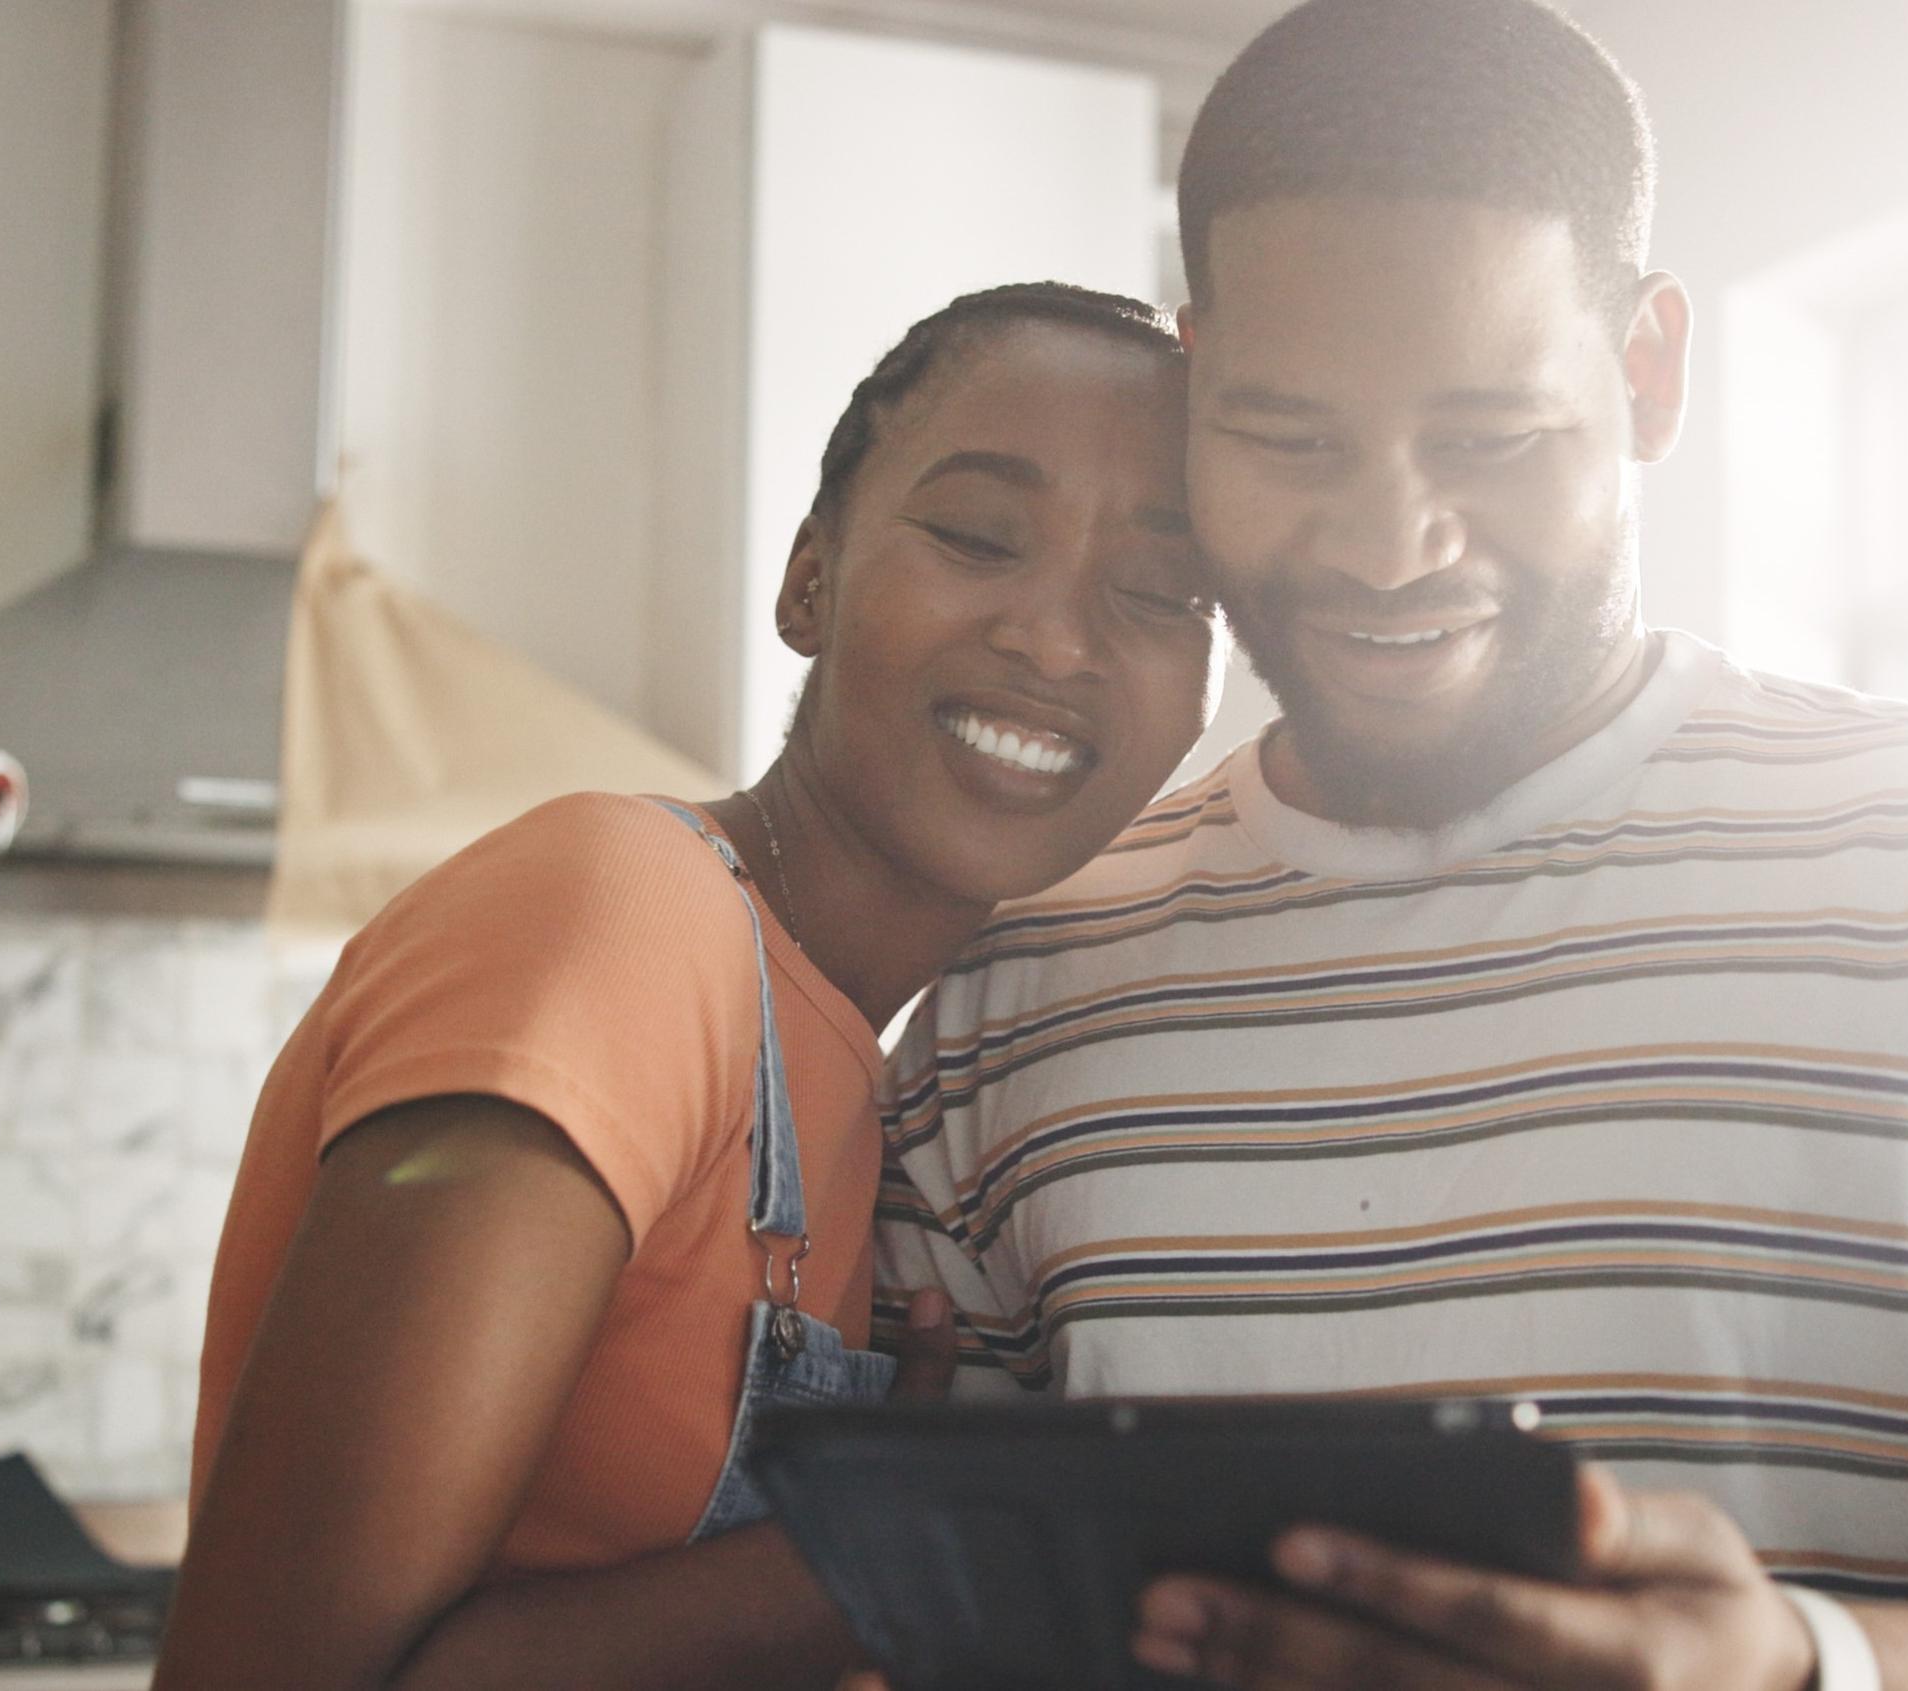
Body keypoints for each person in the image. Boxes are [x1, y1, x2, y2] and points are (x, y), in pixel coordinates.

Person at [872, 4, 1908, 1686]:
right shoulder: (1019, 985)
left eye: (1490, 439)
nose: (1392, 546)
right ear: (1197, 378)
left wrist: (1799, 1667)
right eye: (1288, 438)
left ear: (1649, 371)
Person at [160, 282, 1221, 1691]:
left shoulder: (878, 1090)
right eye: (976, 537)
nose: (1056, 638)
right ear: (810, 581)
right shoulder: (619, 918)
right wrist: (904, 1548)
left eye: (1156, 594)